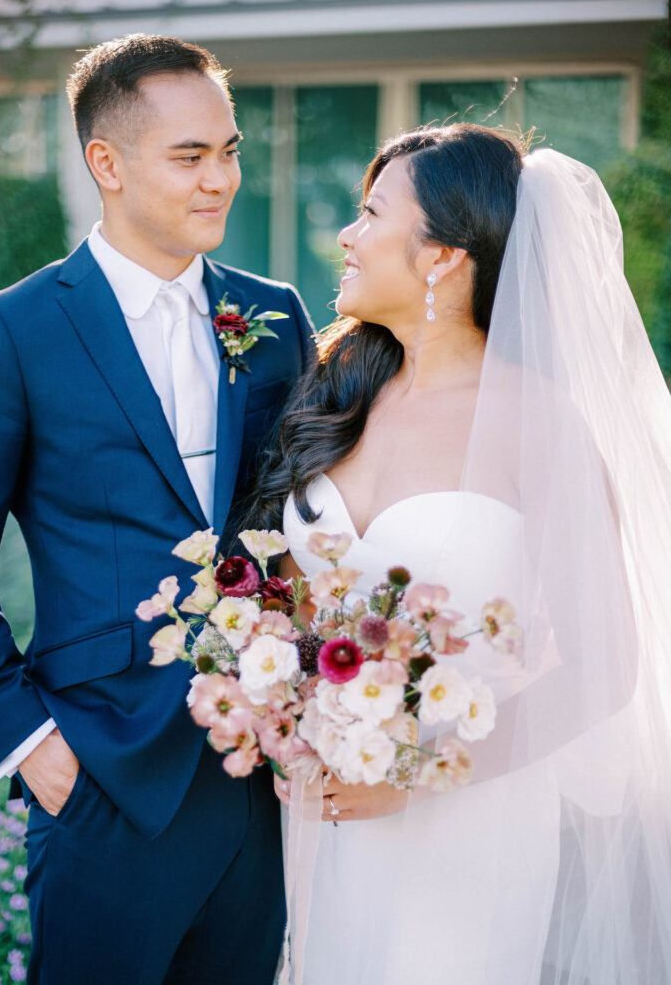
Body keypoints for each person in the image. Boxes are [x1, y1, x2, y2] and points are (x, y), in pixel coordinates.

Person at [0, 33, 313, 984]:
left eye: (230, 151)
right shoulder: (10, 330)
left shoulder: (277, 316)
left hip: (257, 775)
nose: (221, 180)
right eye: (190, 156)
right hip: (100, 778)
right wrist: (30, 743)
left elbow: (305, 524)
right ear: (107, 163)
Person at [249, 124, 671, 984]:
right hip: (322, 820)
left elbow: (605, 662)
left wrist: (415, 772)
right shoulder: (338, 395)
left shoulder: (538, 420)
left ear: (442, 255)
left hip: (469, 822)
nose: (347, 235)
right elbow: (288, 604)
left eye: (371, 214)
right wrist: (270, 698)